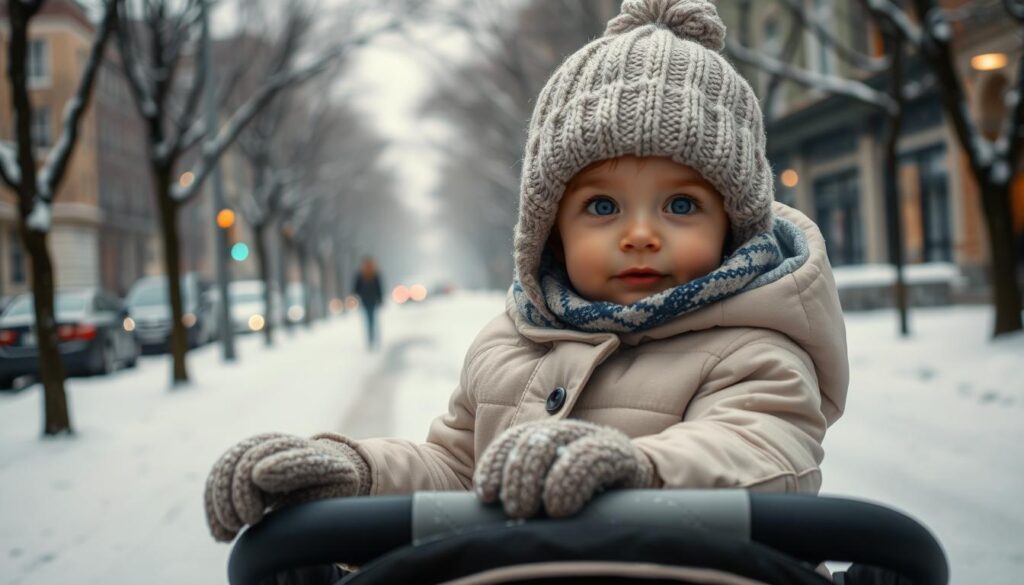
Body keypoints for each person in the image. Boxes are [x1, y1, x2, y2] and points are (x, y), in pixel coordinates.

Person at [205, 0, 849, 545]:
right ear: (552, 232)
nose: (641, 232)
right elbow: (456, 470)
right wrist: (356, 476)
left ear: (731, 223)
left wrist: (637, 472)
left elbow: (762, 453)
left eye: (682, 204)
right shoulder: (506, 349)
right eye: (602, 206)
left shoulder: (755, 351)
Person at [352, 256, 383, 350]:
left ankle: (371, 339)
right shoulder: (370, 274)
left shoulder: (369, 275)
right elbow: (379, 288)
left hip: (368, 300)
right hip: (369, 300)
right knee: (371, 320)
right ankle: (372, 339)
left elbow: (378, 288)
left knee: (370, 320)